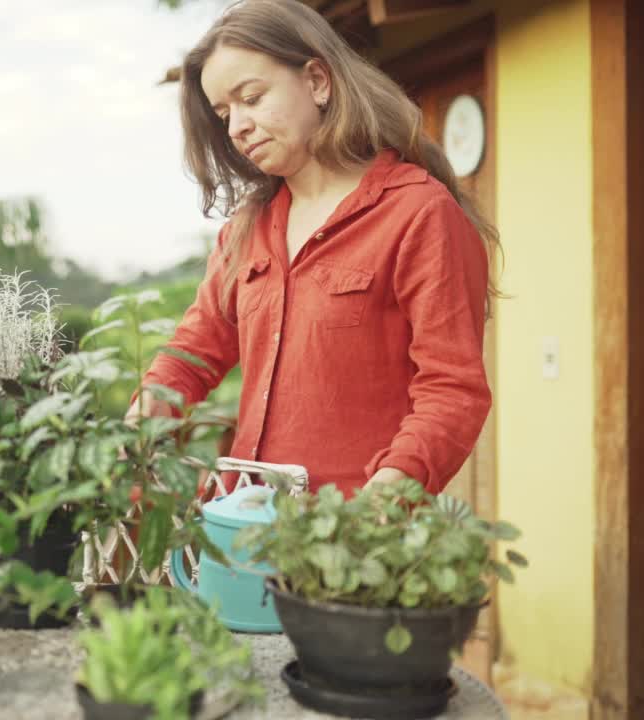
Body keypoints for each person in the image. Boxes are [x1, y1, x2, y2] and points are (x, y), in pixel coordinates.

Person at [128, 0, 498, 498]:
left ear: (318, 82)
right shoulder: (247, 229)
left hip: (352, 544)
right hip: (242, 532)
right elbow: (194, 351)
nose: (236, 125)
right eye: (224, 112)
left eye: (252, 98)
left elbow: (453, 392)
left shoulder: (418, 213)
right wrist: (146, 410)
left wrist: (388, 493)